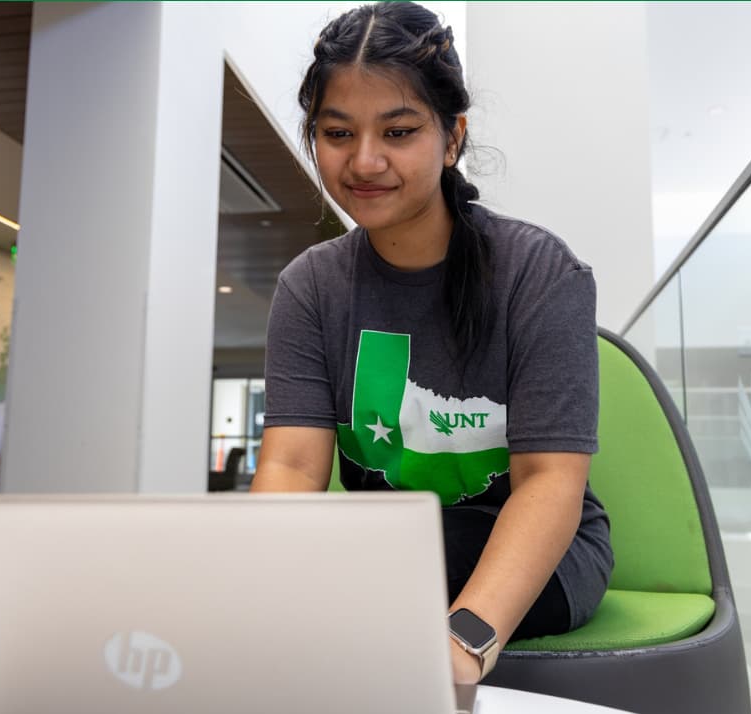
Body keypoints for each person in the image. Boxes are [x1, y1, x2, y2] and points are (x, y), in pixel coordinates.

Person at [250, 2, 613, 684]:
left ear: (452, 138)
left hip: (540, 557)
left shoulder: (540, 272)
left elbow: (549, 482)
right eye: (337, 133)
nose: (364, 160)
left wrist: (465, 639)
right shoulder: (310, 287)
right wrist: (259, 582)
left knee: (410, 561)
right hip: (391, 553)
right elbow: (292, 469)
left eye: (399, 131)